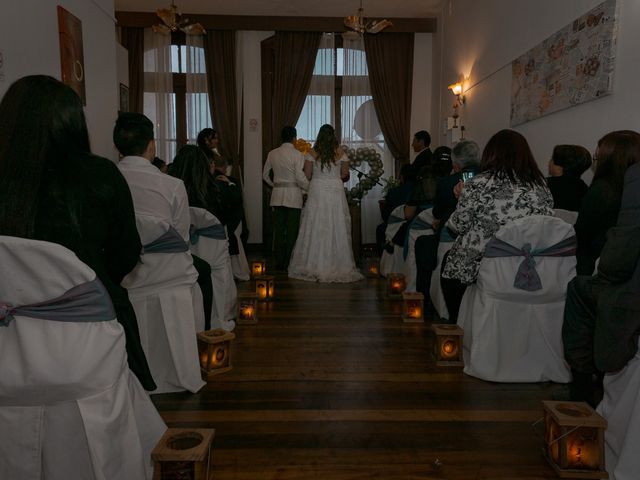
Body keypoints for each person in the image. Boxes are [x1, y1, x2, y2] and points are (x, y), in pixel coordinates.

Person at [0, 75, 156, 391]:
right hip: (87, 338)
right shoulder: (99, 175)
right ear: (72, 122)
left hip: (8, 345)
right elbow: (125, 253)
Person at [440, 129, 554, 323]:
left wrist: (461, 198)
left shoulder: (478, 184)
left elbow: (457, 226)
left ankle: (456, 325)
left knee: (449, 265)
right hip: (527, 262)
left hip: (485, 262)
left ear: (490, 154)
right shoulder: (541, 186)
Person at [563, 161, 640, 407]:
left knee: (579, 289)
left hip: (625, 287)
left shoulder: (608, 188)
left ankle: (582, 383)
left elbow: (616, 261)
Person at [288, 124, 363, 283]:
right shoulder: (341, 153)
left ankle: (313, 263)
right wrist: (333, 176)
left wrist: (320, 175)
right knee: (336, 224)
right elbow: (344, 174)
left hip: (318, 189)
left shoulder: (312, 153)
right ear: (333, 136)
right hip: (335, 190)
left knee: (316, 223)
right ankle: (338, 263)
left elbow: (307, 175)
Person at [575, 131, 640, 275]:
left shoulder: (602, 190)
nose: (594, 164)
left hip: (596, 270)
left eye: (596, 158)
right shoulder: (632, 192)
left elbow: (581, 236)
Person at [262, 126, 310, 270]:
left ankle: (278, 262)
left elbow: (264, 175)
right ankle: (289, 261)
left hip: (277, 196)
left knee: (278, 229)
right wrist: (308, 188)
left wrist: (275, 185)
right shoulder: (298, 155)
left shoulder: (272, 153)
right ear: (294, 138)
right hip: (293, 196)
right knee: (291, 231)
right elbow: (300, 177)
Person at [546, 144, 591, 211]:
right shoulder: (585, 189)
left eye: (552, 159)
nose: (549, 162)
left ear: (559, 167)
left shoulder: (545, 186)